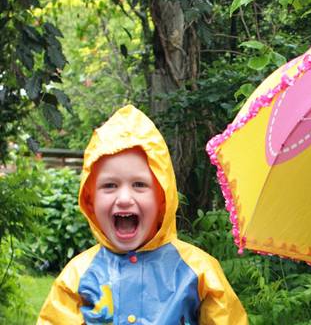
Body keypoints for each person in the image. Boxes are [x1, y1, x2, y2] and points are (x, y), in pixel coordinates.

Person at [38, 105, 248, 324]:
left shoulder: (199, 272)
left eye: (139, 185)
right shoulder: (77, 276)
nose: (125, 198)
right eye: (110, 185)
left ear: (162, 197)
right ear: (90, 199)